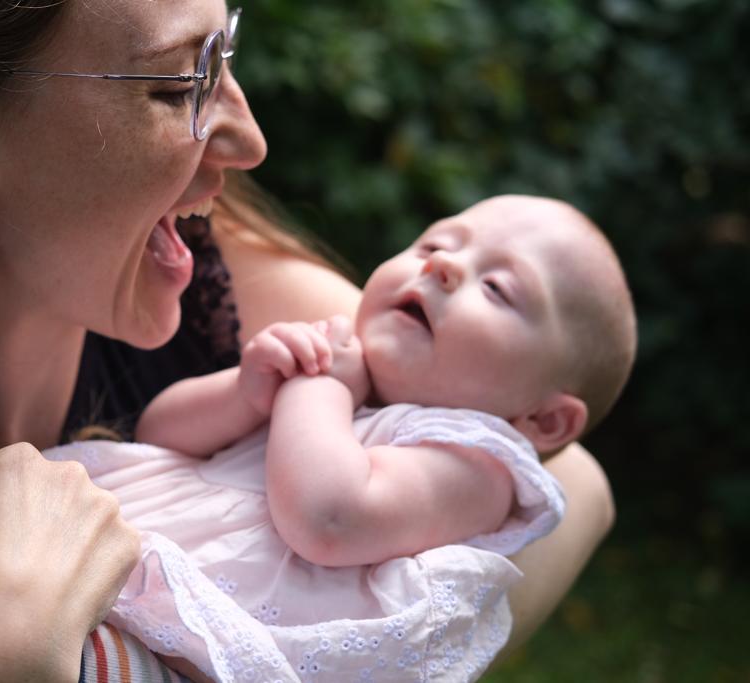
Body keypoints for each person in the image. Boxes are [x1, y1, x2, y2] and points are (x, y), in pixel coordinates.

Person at [0, 1, 616, 680]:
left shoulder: (219, 282)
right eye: (175, 84)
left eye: (225, 47)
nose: (250, 137)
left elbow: (566, 474)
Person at [33, 195, 636, 681]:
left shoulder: (477, 465)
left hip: (193, 649)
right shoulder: (348, 371)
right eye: (434, 244)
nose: (442, 266)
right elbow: (161, 434)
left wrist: (317, 387)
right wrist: (244, 392)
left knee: (47, 654)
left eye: (499, 288)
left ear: (545, 421)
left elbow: (329, 517)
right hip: (127, 543)